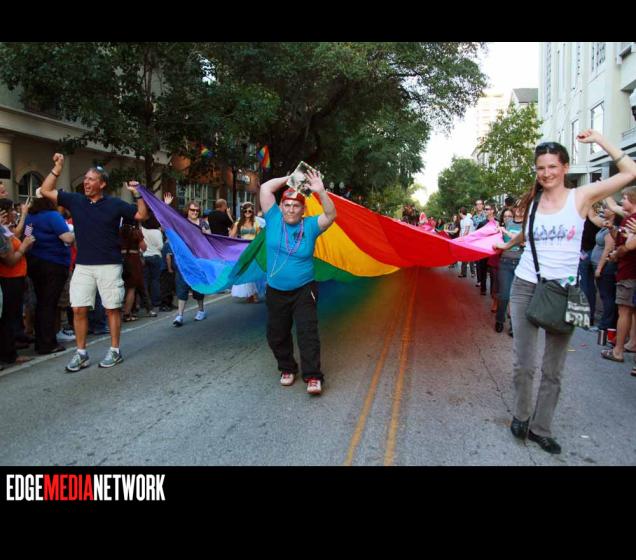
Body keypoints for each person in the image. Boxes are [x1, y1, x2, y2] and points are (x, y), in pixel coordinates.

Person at [494, 131, 636, 454]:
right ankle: (521, 415)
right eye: (540, 168)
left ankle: (540, 428)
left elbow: (630, 171)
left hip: (563, 292)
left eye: (552, 167)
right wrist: (505, 244)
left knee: (553, 369)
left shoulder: (581, 196)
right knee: (523, 364)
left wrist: (599, 139)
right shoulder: (533, 202)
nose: (546, 173)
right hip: (526, 285)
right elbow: (527, 235)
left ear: (565, 167)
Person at [38, 153, 149, 372]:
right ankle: (81, 354)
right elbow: (45, 190)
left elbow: (141, 215)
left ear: (102, 184)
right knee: (78, 309)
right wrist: (57, 169)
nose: (86, 183)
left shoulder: (115, 204)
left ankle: (115, 350)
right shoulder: (76, 200)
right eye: (86, 179)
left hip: (109, 265)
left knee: (112, 309)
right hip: (83, 266)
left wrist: (137, 194)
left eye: (91, 179)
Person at [260, 169, 337, 395]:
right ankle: (287, 368)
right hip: (275, 290)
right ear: (281, 206)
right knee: (276, 334)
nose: (291, 209)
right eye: (287, 205)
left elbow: (331, 215)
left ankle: (313, 376)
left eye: (296, 206)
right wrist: (291, 178)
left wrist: (320, 191)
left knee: (307, 333)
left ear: (303, 210)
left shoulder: (310, 226)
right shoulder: (273, 218)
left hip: (304, 290)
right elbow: (265, 188)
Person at [25, 192, 75, 354]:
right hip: (54, 263)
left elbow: (26, 237)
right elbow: (67, 238)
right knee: (49, 304)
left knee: (41, 303)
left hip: (34, 261)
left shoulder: (30, 218)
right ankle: (48, 343)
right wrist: (75, 233)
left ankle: (41, 341)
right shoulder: (53, 216)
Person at [601, 186, 636, 363]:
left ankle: (618, 350)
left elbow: (628, 246)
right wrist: (612, 229)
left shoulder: (633, 220)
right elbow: (620, 239)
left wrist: (615, 254)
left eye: (624, 198)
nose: (622, 201)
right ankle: (632, 343)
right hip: (628, 270)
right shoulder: (628, 219)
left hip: (629, 270)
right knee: (632, 311)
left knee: (624, 310)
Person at [0, 200, 35, 366]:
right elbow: (10, 259)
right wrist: (24, 246)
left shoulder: (7, 229)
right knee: (9, 318)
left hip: (17, 277)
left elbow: (20, 235)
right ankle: (9, 354)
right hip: (9, 278)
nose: (15, 213)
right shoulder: (3, 231)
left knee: (12, 316)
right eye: (12, 210)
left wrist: (26, 240)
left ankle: (12, 349)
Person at [494, 204, 524, 335]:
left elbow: (522, 242)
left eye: (523, 207)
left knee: (516, 297)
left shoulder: (527, 225)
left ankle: (513, 326)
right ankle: (499, 319)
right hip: (505, 263)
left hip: (521, 264)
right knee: (504, 295)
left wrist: (506, 232)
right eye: (518, 207)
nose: (520, 209)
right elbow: (496, 236)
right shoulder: (507, 223)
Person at [229, 201, 261, 302]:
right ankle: (251, 294)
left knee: (251, 270)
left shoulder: (256, 223)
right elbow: (232, 237)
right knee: (245, 271)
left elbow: (259, 238)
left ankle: (253, 294)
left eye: (250, 211)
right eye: (245, 211)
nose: (247, 213)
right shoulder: (238, 223)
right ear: (243, 212)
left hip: (253, 250)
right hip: (243, 251)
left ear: (252, 212)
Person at [458, 207, 476, 278]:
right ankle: (463, 273)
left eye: (459, 212)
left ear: (461, 212)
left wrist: (462, 239)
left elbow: (467, 230)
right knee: (464, 256)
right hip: (463, 241)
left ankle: (473, 272)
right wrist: (459, 237)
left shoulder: (468, 219)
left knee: (471, 257)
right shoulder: (461, 221)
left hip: (469, 241)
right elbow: (461, 230)